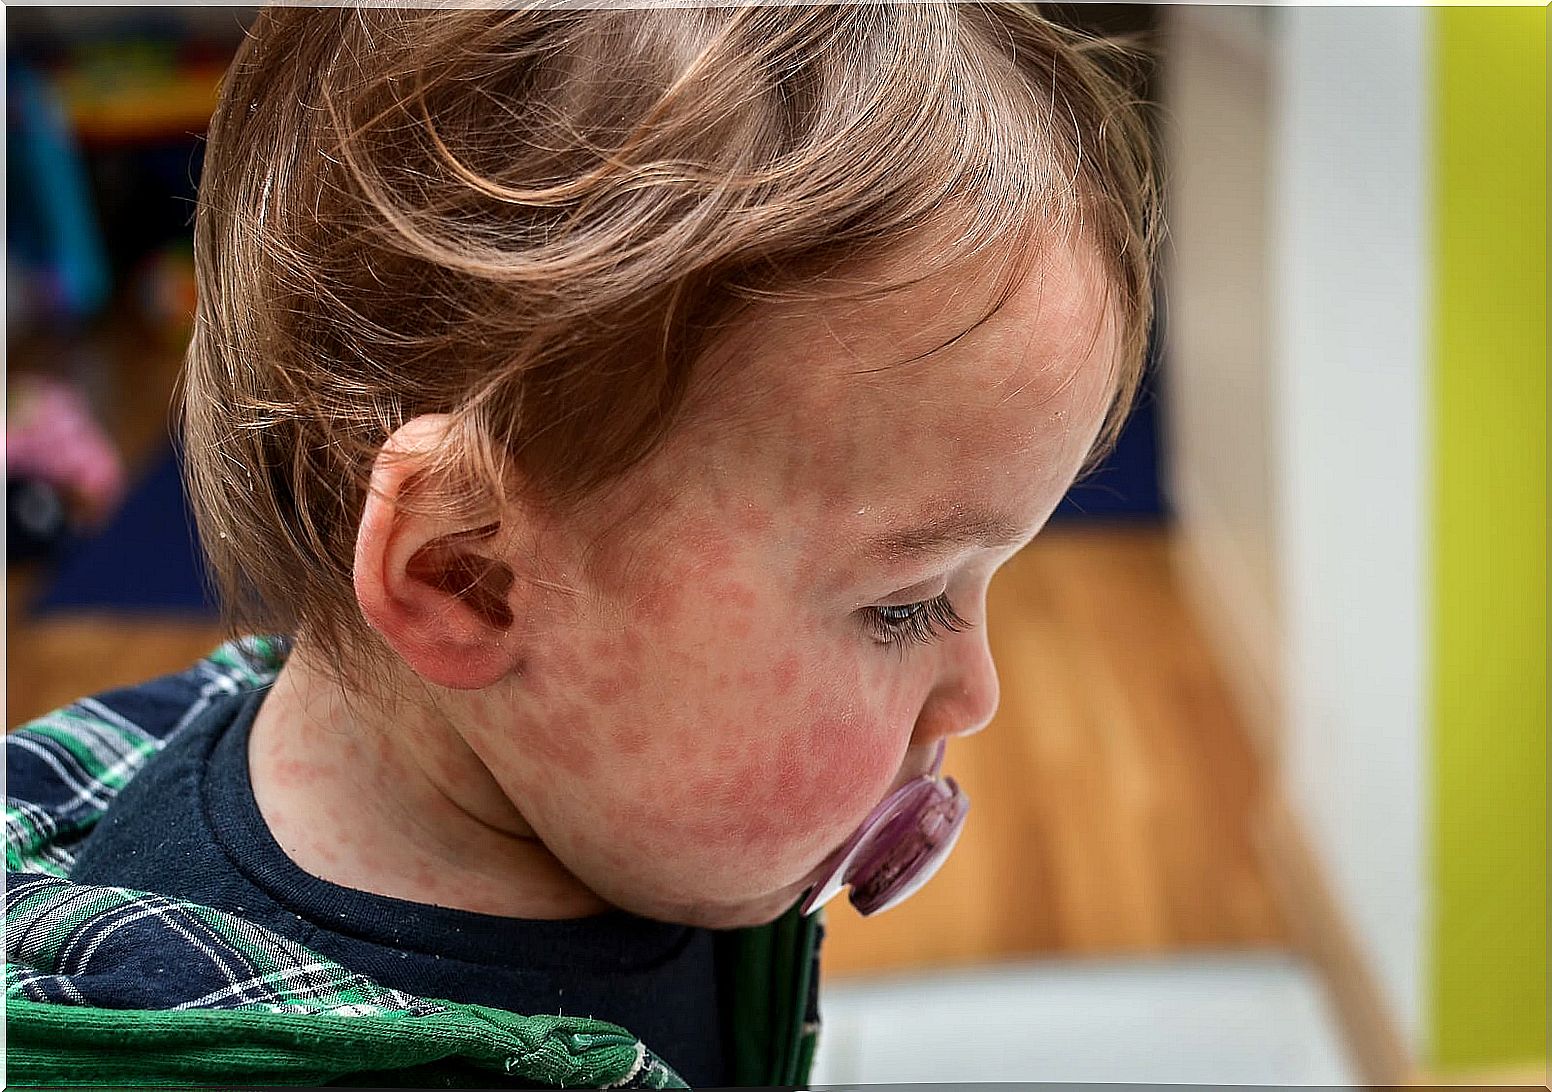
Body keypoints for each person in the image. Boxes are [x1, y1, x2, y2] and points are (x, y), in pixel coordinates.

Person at [5, 4, 1159, 1087]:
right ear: (470, 575)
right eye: (903, 604)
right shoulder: (193, 1047)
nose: (978, 694)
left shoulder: (622, 807)